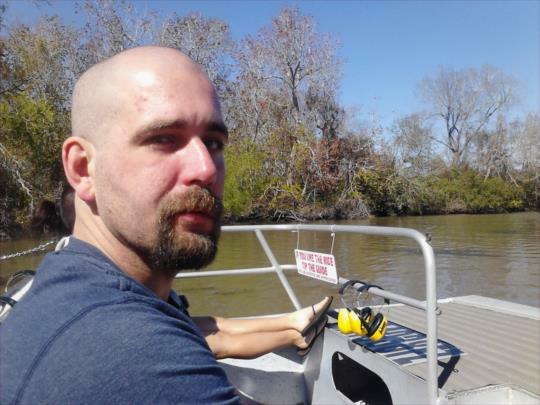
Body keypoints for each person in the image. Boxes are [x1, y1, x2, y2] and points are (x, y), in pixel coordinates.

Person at [0, 46, 332, 404]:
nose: (206, 169)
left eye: (213, 143)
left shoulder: (71, 285)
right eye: (163, 139)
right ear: (83, 169)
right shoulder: (135, 361)